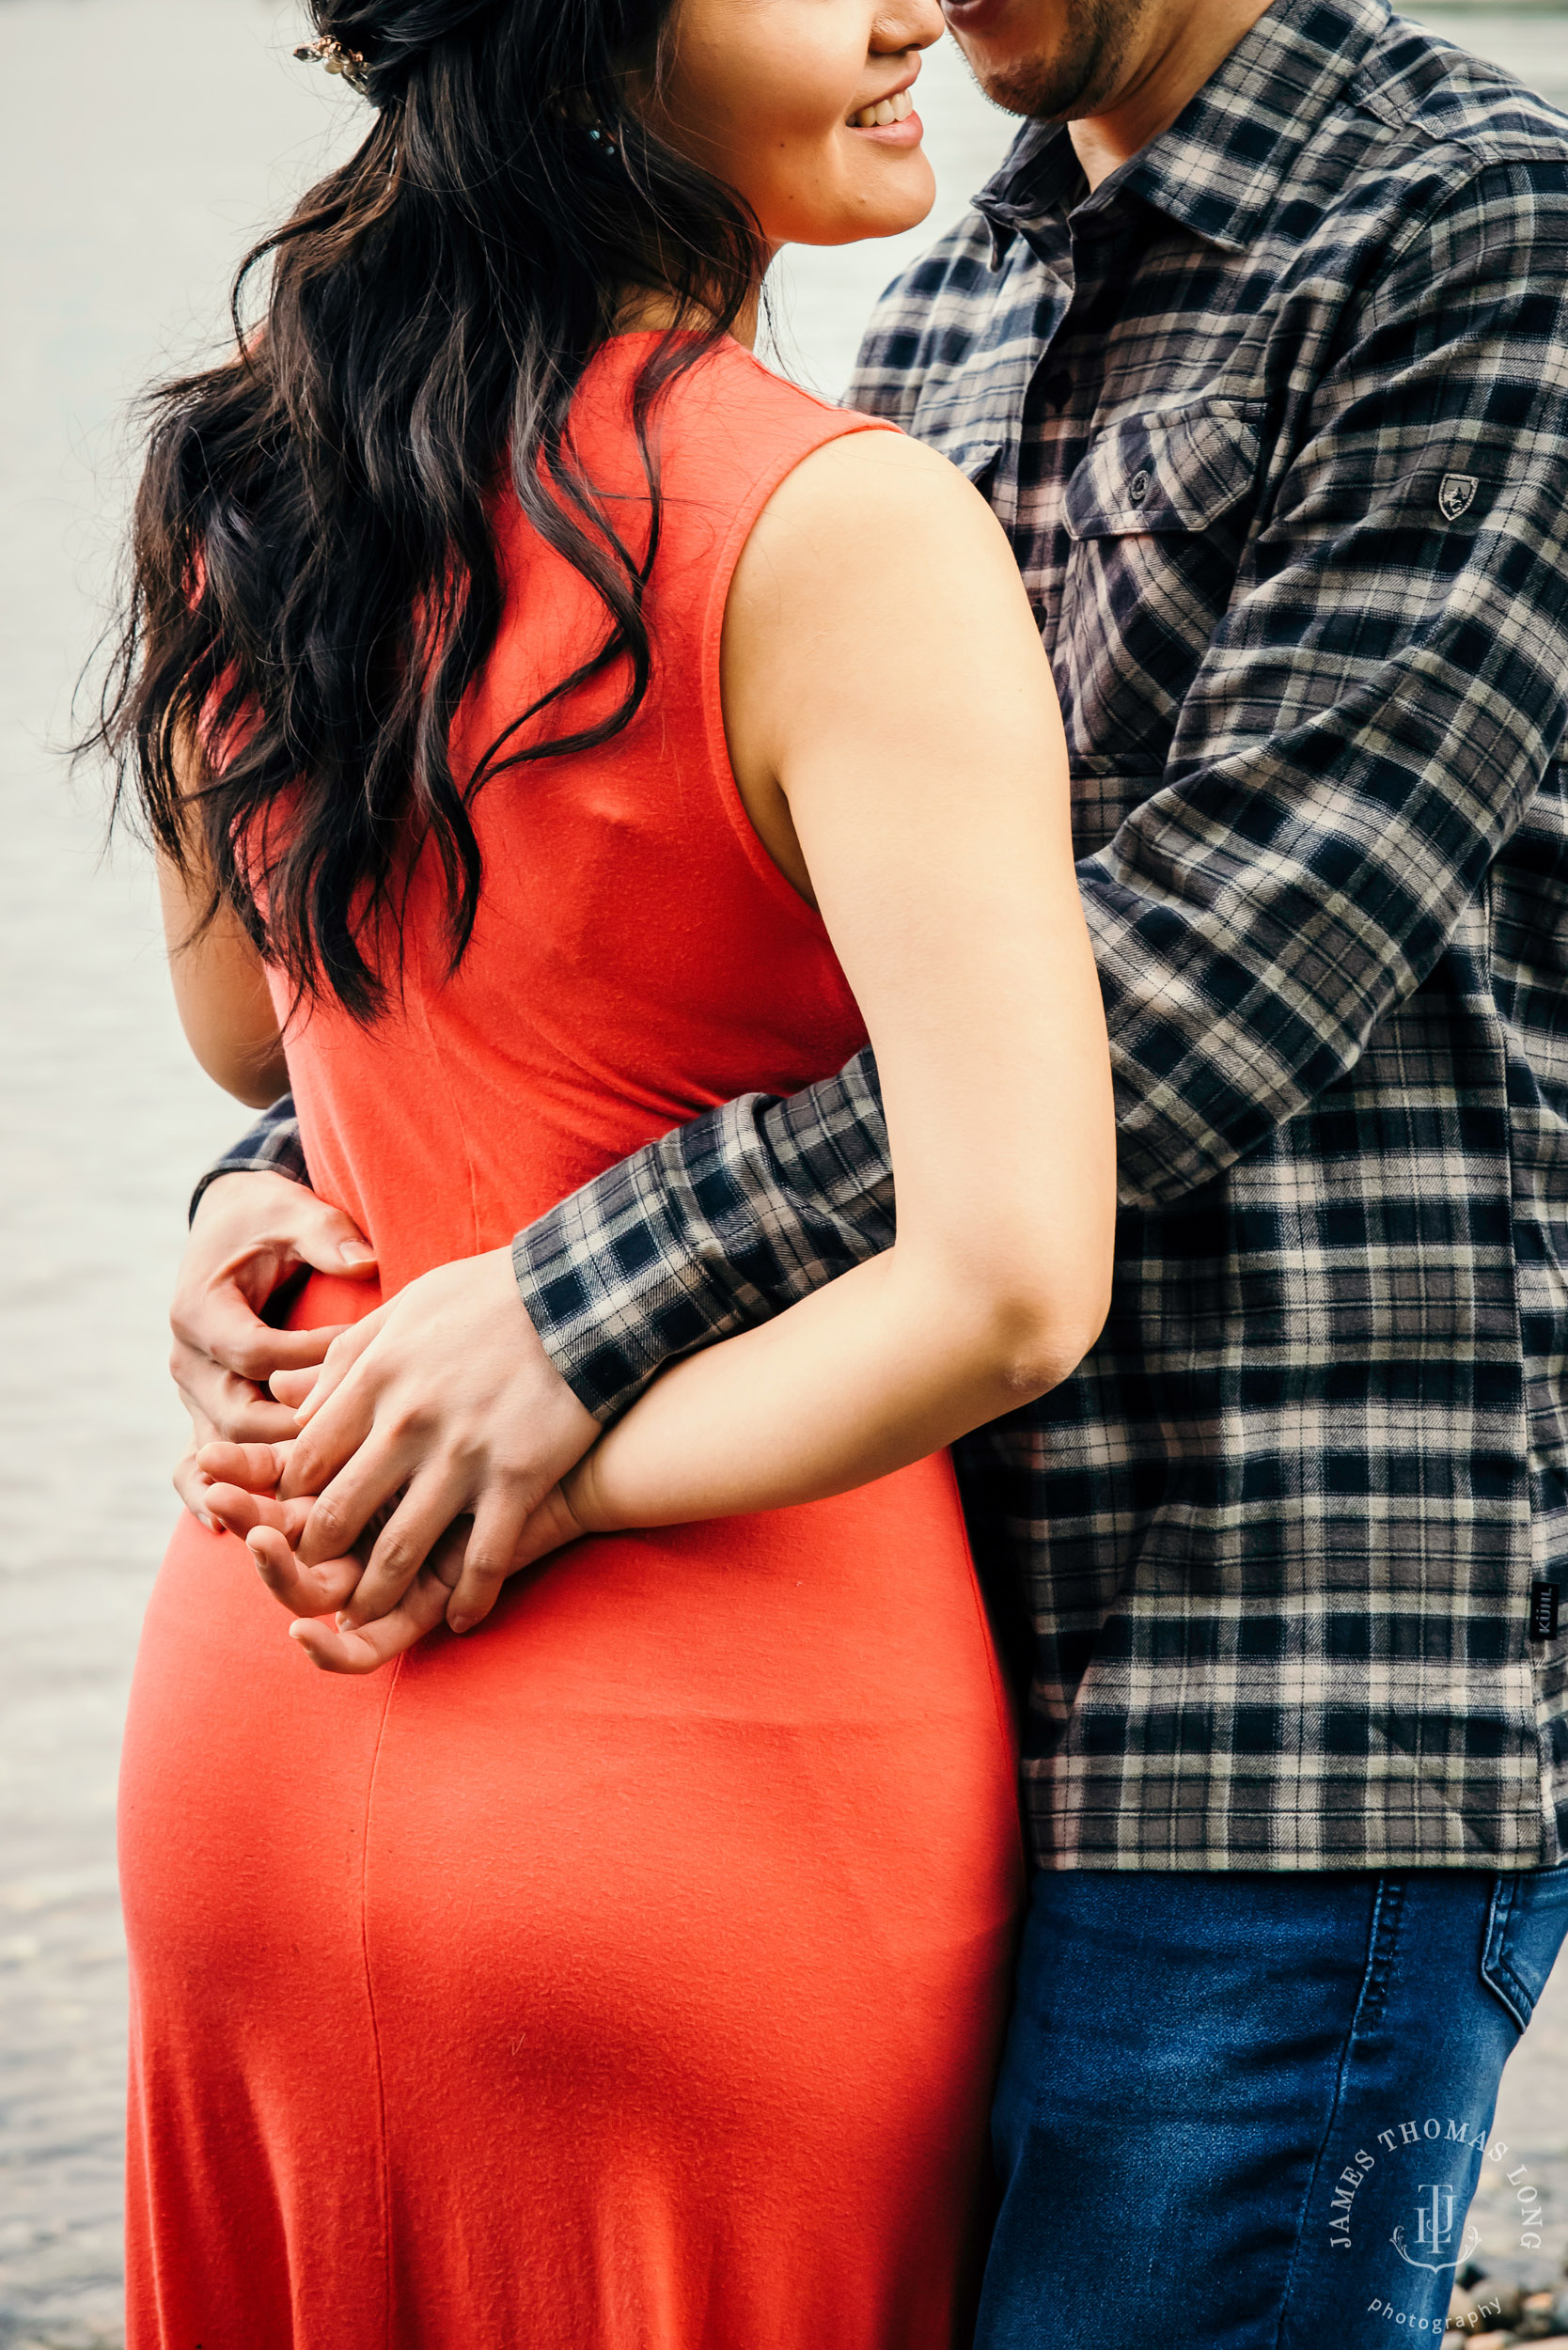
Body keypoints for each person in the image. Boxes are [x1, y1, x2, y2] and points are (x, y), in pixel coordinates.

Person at [179, 0, 1568, 2342]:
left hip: (1280, 1684)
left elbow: (1245, 937)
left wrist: (564, 1290)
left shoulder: (1476, 233)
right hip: (882, 1621)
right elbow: (697, 928)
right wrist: (274, 1175)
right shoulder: (947, 289)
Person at [103, 0, 1118, 2341]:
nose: (903, 10)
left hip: (266, 1679)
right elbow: (1007, 1280)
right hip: (720, 1793)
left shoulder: (241, 475)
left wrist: (246, 1219)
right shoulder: (842, 522)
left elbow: (250, 1029)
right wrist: (567, 1474)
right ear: (583, 43)